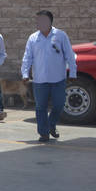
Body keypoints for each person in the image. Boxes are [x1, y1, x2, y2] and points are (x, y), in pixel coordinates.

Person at [20, 10, 77, 143]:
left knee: (59, 105)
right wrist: (25, 73)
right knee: (40, 108)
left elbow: (70, 55)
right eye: (37, 20)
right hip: (39, 80)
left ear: (50, 21)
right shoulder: (33, 38)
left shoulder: (60, 35)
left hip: (58, 79)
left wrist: (73, 72)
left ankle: (51, 124)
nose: (39, 23)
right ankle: (44, 133)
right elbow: (27, 57)